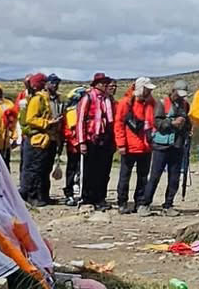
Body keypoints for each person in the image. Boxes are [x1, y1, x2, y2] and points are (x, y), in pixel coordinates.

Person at [140, 84, 192, 214]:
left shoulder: (185, 105)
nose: (179, 97)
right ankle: (145, 204)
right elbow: (157, 123)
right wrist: (172, 123)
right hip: (161, 145)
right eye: (178, 94)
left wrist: (186, 127)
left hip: (177, 145)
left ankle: (168, 205)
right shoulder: (162, 103)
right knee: (155, 176)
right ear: (173, 91)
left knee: (174, 177)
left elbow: (188, 122)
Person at [114, 77, 157, 213]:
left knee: (143, 177)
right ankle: (122, 203)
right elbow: (118, 124)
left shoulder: (151, 103)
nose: (149, 91)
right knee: (125, 176)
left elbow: (153, 122)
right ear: (141, 89)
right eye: (147, 89)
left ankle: (140, 202)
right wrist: (121, 144)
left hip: (145, 146)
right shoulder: (125, 103)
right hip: (129, 146)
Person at [22, 74, 65, 206]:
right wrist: (47, 123)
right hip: (38, 139)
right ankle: (32, 196)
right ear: (46, 84)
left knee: (46, 169)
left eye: (57, 83)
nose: (55, 85)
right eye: (52, 83)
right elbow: (30, 119)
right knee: (35, 169)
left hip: (51, 139)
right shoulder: (38, 99)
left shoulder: (57, 100)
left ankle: (44, 196)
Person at [75, 73, 116, 211]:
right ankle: (86, 198)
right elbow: (80, 120)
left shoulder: (108, 99)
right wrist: (81, 141)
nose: (105, 84)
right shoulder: (88, 97)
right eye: (102, 82)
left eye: (106, 82)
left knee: (103, 170)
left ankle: (100, 198)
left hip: (105, 138)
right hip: (91, 137)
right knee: (89, 170)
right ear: (96, 84)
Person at [62, 87, 86, 205]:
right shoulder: (71, 112)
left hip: (82, 144)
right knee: (72, 168)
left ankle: (81, 192)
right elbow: (68, 129)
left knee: (82, 169)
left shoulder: (83, 110)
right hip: (74, 145)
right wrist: (74, 139)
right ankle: (69, 192)